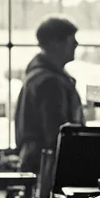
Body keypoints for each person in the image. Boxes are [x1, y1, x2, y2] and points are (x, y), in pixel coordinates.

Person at [13, 14, 84, 173]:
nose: (76, 43)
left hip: (37, 164)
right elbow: (57, 136)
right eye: (70, 39)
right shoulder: (50, 83)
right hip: (48, 168)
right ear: (55, 43)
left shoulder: (38, 76)